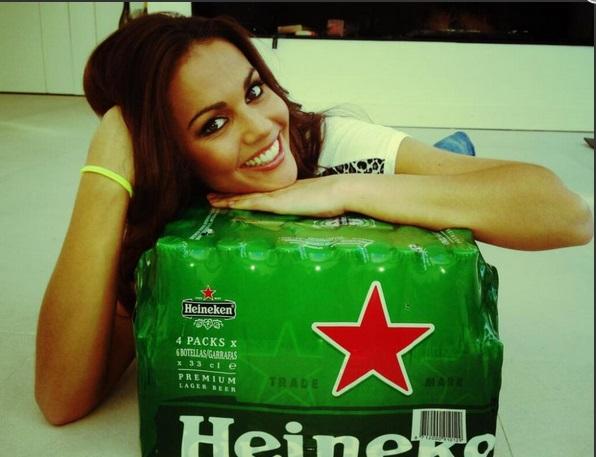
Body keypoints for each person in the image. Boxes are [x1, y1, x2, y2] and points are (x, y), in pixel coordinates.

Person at [34, 13, 593, 426]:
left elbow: (569, 215)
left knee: (446, 161)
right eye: (213, 124)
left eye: (255, 91)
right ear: (169, 156)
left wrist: (340, 189)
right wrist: (104, 173)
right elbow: (61, 398)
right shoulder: (168, 214)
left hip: (364, 170)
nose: (261, 127)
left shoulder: (332, 143)